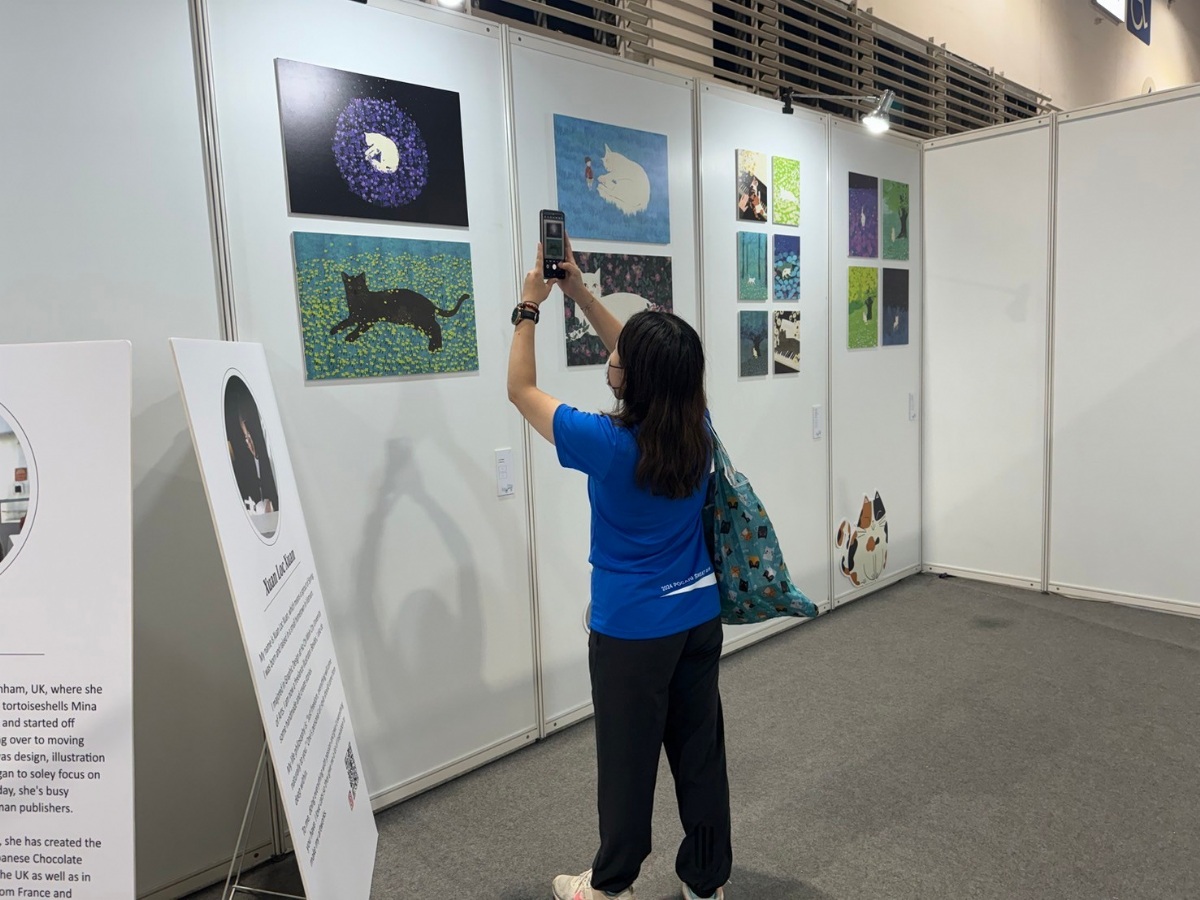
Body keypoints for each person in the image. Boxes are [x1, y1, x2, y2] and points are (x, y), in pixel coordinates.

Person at [507, 236, 732, 900]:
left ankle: (610, 886)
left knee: (627, 766)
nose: (613, 356)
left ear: (630, 376)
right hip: (698, 616)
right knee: (700, 756)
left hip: (632, 631)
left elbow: (520, 389)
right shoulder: (698, 424)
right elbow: (650, 361)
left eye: (621, 358)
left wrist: (530, 306)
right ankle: (706, 883)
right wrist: (579, 292)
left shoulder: (606, 443)